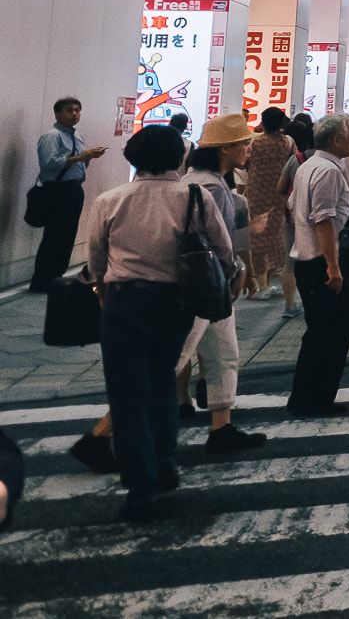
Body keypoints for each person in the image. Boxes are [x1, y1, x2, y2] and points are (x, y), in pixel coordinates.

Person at [84, 124, 234, 521]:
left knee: (127, 394)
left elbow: (96, 259)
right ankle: (165, 461)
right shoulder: (195, 197)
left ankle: (140, 485)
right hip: (176, 303)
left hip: (124, 301)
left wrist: (102, 294)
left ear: (133, 158)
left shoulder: (110, 199)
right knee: (163, 379)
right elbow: (222, 248)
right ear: (179, 157)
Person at [174, 114, 267, 452]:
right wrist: (240, 264)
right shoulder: (212, 186)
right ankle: (102, 434)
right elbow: (217, 240)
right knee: (201, 357)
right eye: (244, 143)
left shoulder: (199, 180)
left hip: (196, 284)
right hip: (208, 286)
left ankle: (221, 426)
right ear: (225, 147)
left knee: (210, 354)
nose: (248, 148)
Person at [288, 114, 349, 416]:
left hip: (307, 261)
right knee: (332, 335)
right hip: (323, 263)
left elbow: (295, 209)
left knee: (317, 333)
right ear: (336, 139)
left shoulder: (309, 166)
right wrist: (334, 268)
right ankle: (316, 399)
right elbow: (324, 220)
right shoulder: (328, 171)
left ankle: (304, 397)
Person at [32, 96, 107, 291]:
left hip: (74, 189)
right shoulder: (52, 136)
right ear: (57, 113)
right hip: (58, 190)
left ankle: (56, 277)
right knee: (54, 236)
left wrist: (87, 158)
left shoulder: (76, 136)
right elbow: (49, 163)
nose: (75, 114)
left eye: (77, 110)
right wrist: (81, 157)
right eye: (70, 110)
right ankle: (42, 281)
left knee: (67, 236)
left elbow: (79, 163)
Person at [243, 108, 295, 301]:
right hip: (280, 194)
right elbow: (293, 164)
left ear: (263, 122)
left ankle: (262, 285)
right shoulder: (289, 142)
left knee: (257, 237)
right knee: (277, 236)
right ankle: (270, 280)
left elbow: (244, 164)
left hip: (257, 192)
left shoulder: (255, 142)